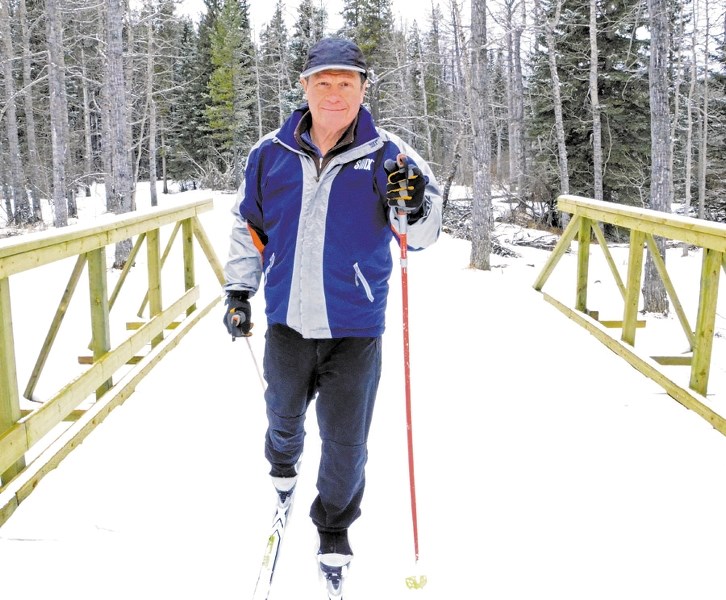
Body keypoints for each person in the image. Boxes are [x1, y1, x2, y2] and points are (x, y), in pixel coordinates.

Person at [222, 37, 442, 581]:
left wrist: (413, 205)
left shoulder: (391, 155)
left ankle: (335, 527)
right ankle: (282, 468)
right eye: (324, 82)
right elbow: (248, 227)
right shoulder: (268, 154)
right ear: (305, 87)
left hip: (355, 327)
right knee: (283, 417)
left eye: (346, 82)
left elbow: (423, 234)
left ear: (363, 89)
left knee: (346, 441)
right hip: (288, 322)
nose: (335, 93)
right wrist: (238, 292)